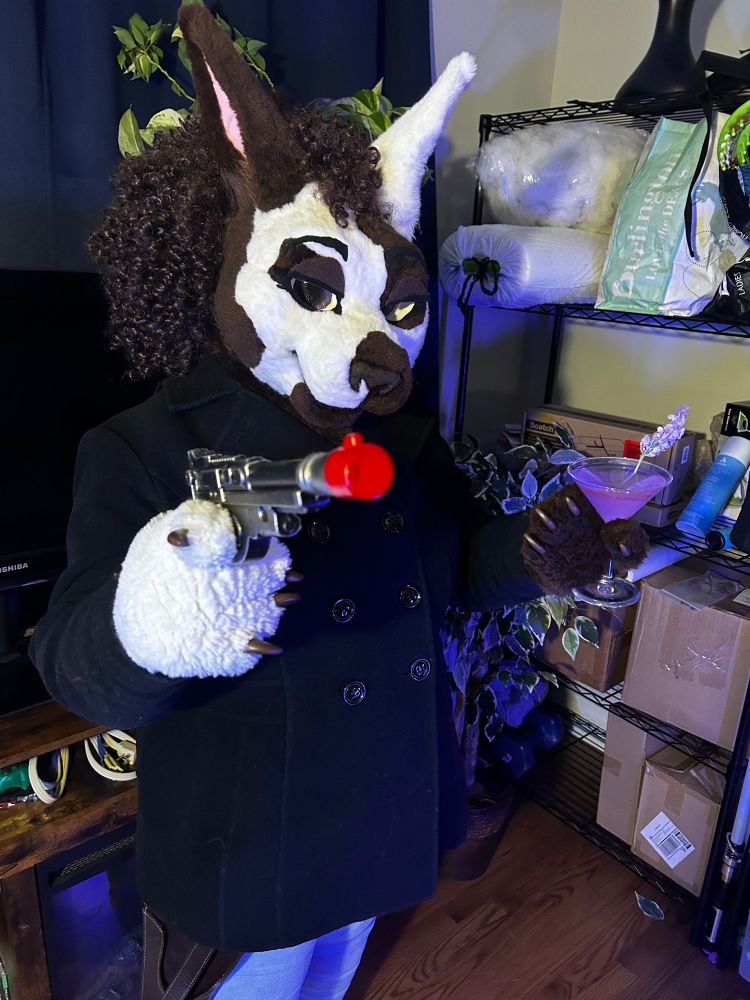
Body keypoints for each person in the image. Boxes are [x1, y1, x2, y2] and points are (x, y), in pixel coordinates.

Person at [30, 8, 646, 999]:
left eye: (397, 305)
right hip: (252, 854)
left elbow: (453, 574)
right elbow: (75, 667)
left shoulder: (401, 441)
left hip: (379, 817)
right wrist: (162, 613)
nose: (374, 342)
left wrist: (538, 558)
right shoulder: (141, 447)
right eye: (319, 289)